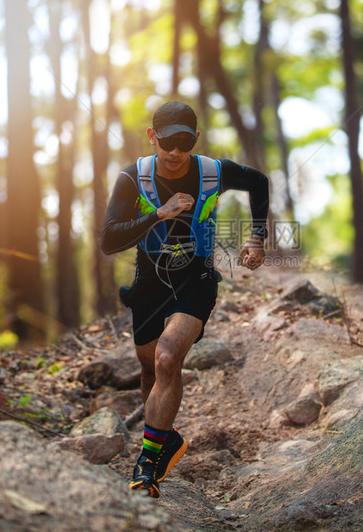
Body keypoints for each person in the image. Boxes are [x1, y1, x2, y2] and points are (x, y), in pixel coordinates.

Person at [101, 100, 269, 498]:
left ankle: (146, 468)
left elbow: (259, 182)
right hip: (149, 283)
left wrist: (257, 235)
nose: (175, 152)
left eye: (184, 142)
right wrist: (159, 213)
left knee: (167, 357)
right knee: (149, 372)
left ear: (196, 139)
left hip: (197, 278)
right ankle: (166, 439)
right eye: (167, 142)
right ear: (151, 137)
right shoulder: (132, 178)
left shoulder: (212, 171)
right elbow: (109, 240)